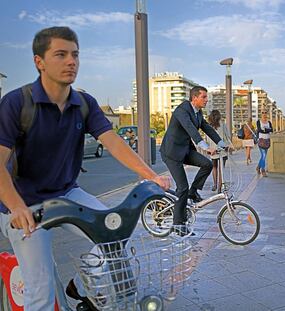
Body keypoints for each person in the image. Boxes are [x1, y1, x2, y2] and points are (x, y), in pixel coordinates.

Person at [0, 26, 170, 311]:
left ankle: (80, 287)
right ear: (39, 61)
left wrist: (151, 176)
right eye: (61, 54)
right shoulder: (16, 103)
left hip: (67, 194)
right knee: (41, 293)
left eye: (75, 55)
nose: (71, 62)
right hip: (25, 206)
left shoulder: (84, 103)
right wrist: (16, 207)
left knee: (114, 237)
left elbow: (114, 142)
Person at [160, 86, 226, 234]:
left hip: (185, 150)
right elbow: (190, 128)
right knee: (182, 187)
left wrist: (222, 144)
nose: (206, 100)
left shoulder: (198, 112)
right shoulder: (182, 110)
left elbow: (207, 128)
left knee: (207, 164)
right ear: (194, 97)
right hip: (172, 153)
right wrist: (205, 146)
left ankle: (193, 192)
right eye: (203, 97)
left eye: (206, 97)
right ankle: (178, 225)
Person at [206, 110, 233, 192]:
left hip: (213, 150)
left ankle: (215, 184)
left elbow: (207, 138)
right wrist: (228, 146)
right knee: (221, 169)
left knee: (214, 167)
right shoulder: (223, 124)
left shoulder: (208, 125)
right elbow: (227, 136)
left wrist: (208, 148)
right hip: (222, 149)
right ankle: (219, 187)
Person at [256, 111, 273, 177]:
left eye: (265, 114)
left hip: (267, 141)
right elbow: (259, 130)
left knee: (264, 156)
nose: (264, 115)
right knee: (263, 155)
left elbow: (272, 130)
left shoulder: (269, 122)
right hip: (261, 140)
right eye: (263, 114)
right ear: (261, 115)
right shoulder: (258, 122)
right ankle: (263, 170)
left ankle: (258, 167)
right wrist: (267, 130)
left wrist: (265, 130)